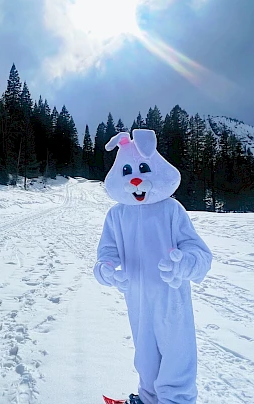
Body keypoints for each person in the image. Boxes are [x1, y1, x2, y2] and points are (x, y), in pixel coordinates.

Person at [94, 129, 212, 404]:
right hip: (137, 300)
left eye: (143, 168)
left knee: (176, 355)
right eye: (128, 170)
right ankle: (148, 399)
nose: (135, 178)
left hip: (172, 299)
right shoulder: (116, 215)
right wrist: (108, 270)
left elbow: (201, 255)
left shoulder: (171, 210)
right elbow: (105, 255)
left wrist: (183, 266)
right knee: (145, 356)